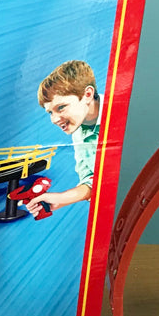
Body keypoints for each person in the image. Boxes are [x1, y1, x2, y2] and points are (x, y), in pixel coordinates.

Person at [26, 60, 101, 215]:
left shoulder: (127, 115)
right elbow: (92, 180)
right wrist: (61, 199)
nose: (54, 119)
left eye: (61, 107)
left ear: (87, 95)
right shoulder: (79, 131)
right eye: (50, 112)